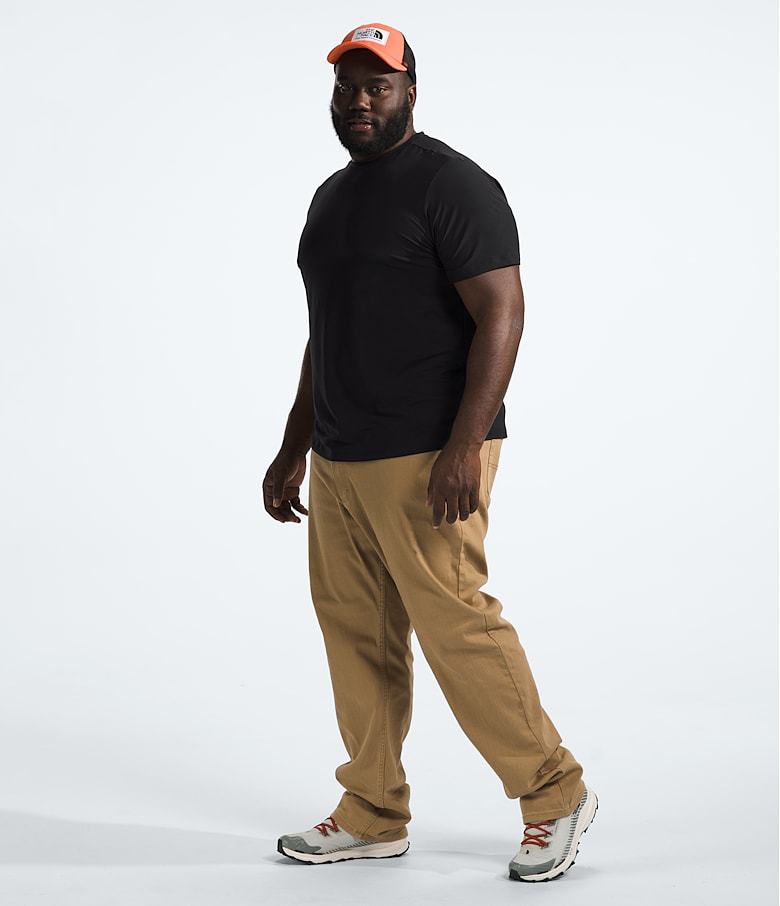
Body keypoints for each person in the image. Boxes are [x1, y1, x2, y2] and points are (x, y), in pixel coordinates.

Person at [262, 21, 598, 883]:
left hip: (427, 454)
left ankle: (555, 792)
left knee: (457, 626)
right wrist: (294, 446)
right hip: (341, 457)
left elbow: (503, 312)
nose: (360, 100)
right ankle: (373, 810)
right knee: (356, 632)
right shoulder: (331, 199)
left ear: (410, 91)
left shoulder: (454, 185)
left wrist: (464, 447)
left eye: (378, 85)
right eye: (347, 86)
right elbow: (326, 332)